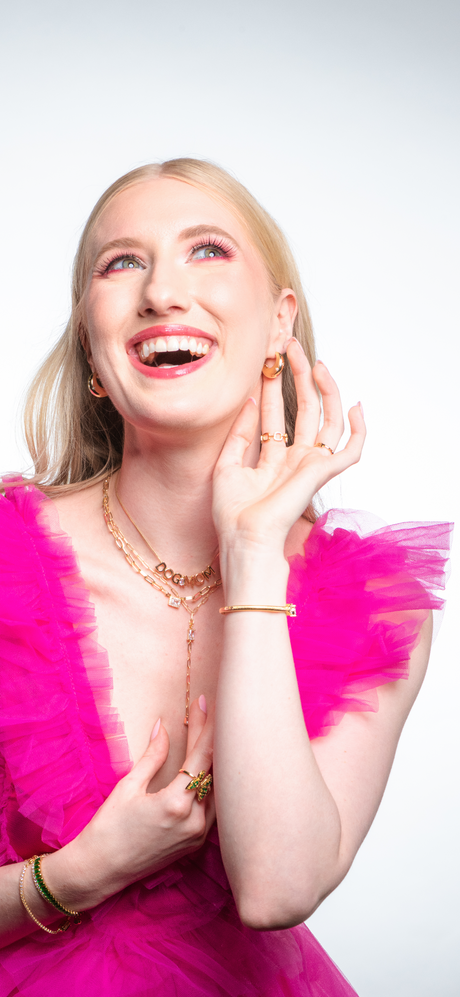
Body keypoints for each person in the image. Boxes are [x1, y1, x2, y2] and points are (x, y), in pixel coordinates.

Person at [0, 159, 451, 997]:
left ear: (280, 321)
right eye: (121, 262)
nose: (163, 291)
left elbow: (279, 886)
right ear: (94, 346)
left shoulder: (376, 606)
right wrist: (79, 873)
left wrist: (252, 556)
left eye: (206, 249)